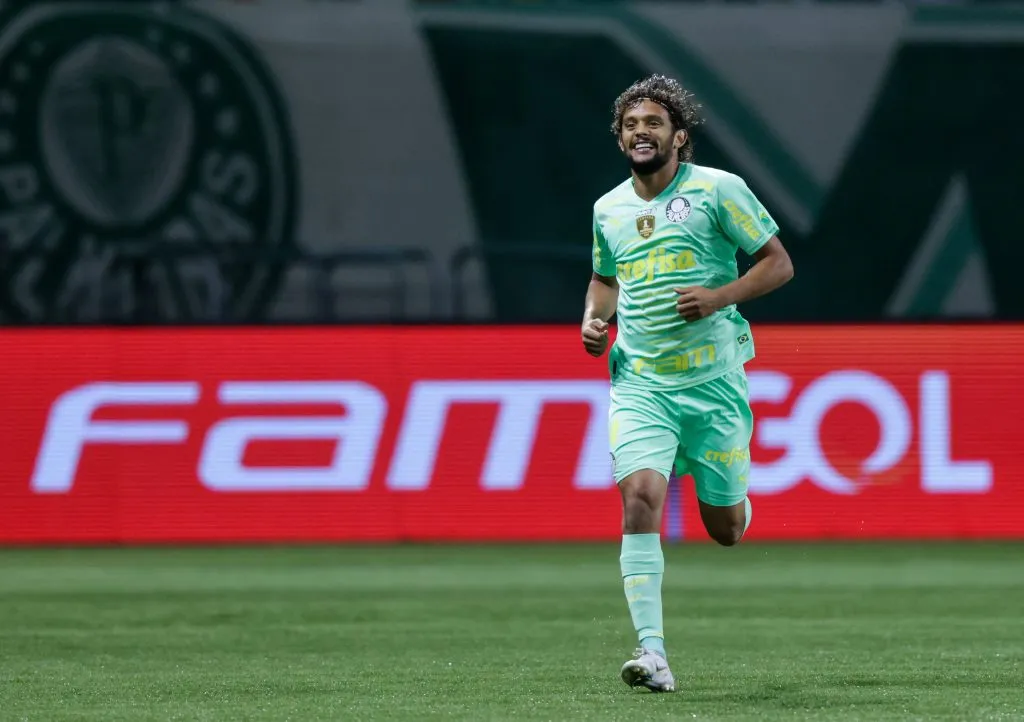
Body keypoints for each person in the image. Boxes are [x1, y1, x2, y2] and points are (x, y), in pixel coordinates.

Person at [581, 75, 794, 693]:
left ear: (680, 135)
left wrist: (719, 296)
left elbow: (778, 263)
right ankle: (652, 654)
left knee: (724, 529)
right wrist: (596, 325)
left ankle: (736, 498)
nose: (640, 132)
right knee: (640, 495)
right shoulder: (608, 208)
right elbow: (603, 280)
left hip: (714, 384)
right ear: (619, 138)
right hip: (642, 382)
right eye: (629, 125)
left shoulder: (718, 191)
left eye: (652, 123)